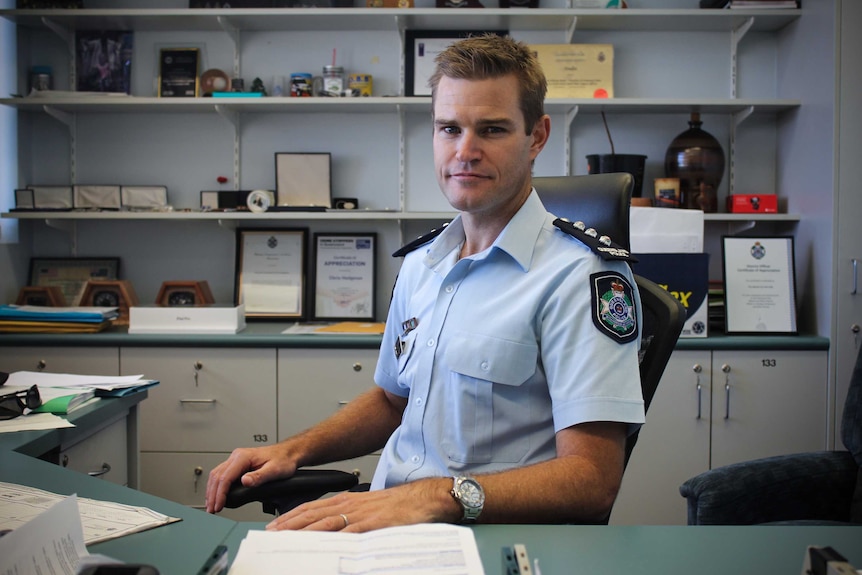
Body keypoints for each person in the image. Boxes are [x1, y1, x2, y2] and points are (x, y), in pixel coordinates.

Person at [206, 33, 644, 531]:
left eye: (493, 130)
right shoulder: (422, 264)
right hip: (384, 523)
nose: (466, 151)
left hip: (483, 540)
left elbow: (592, 480)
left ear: (537, 136)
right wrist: (291, 451)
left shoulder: (580, 276)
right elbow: (392, 400)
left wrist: (438, 497)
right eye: (449, 128)